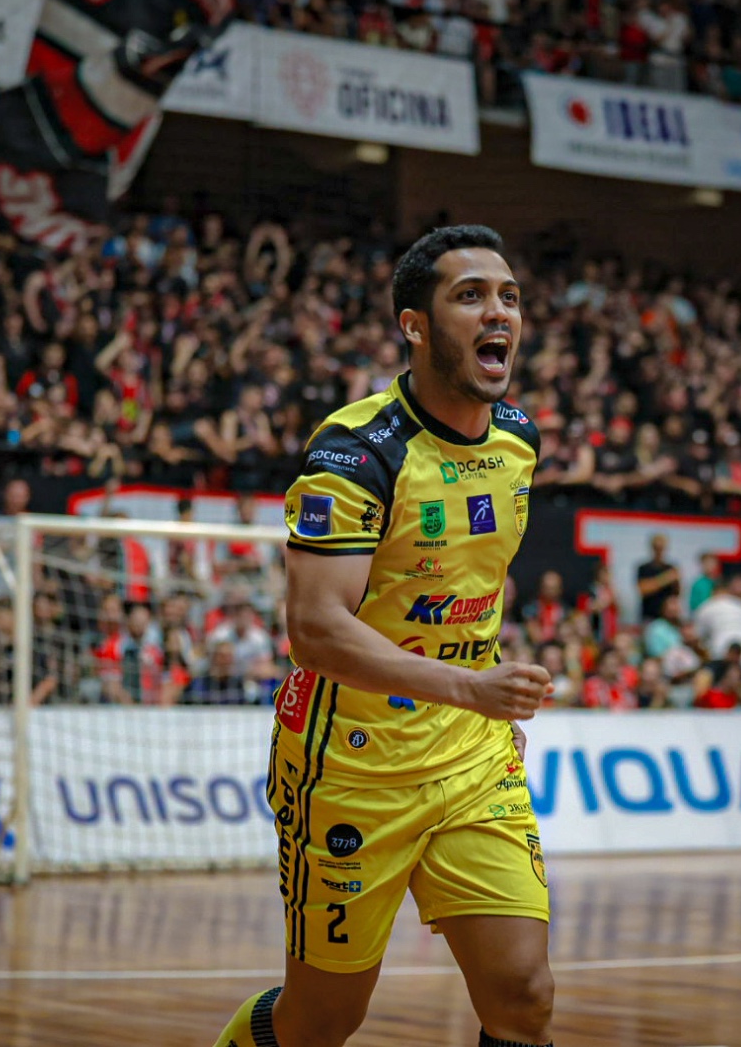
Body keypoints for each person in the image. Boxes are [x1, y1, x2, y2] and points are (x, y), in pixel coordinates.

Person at [212, 226, 555, 1047]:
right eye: (470, 296)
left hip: (472, 755)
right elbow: (315, 631)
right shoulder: (353, 451)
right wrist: (471, 684)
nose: (497, 311)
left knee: (523, 993)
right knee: (323, 1020)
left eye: (507, 296)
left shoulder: (518, 439)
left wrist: (474, 689)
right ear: (416, 326)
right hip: (349, 763)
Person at [635, 533, 679, 621]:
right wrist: (666, 578)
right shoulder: (643, 568)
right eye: (657, 548)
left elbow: (676, 594)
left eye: (661, 548)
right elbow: (643, 589)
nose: (659, 551)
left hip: (667, 616)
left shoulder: (671, 568)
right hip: (649, 615)